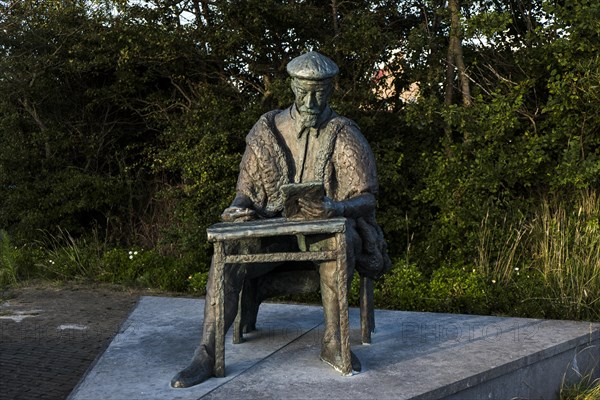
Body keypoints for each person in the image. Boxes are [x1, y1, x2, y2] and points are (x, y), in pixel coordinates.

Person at [171, 51, 390, 388]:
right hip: (271, 228)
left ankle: (334, 343)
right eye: (304, 91)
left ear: (332, 89)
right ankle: (207, 352)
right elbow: (244, 192)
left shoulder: (343, 133)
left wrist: (337, 208)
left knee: (343, 240)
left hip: (322, 230)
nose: (312, 100)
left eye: (320, 92)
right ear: (291, 86)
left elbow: (366, 195)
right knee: (226, 252)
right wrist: (236, 209)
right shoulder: (266, 131)